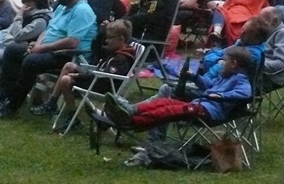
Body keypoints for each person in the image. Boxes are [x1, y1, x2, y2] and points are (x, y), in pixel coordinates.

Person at [0, 0, 97, 119]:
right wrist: (37, 45)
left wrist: (40, 49)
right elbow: (48, 30)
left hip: (68, 55)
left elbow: (72, 41)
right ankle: (3, 97)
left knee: (31, 61)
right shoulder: (62, 7)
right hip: (47, 50)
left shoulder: (82, 11)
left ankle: (11, 106)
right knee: (13, 50)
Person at [102, 44, 254, 133]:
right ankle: (131, 110)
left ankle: (132, 122)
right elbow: (208, 85)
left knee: (169, 111)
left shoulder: (241, 80)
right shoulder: (225, 76)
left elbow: (246, 93)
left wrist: (220, 96)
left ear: (234, 64)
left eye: (225, 60)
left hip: (209, 112)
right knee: (166, 102)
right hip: (199, 104)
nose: (222, 62)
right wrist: (195, 77)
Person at [32, 18, 137, 126]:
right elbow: (96, 50)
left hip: (104, 87)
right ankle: (52, 102)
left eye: (110, 38)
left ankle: (72, 117)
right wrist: (100, 33)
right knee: (69, 66)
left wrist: (79, 75)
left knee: (66, 80)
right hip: (97, 80)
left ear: (121, 39)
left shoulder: (122, 58)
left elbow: (107, 77)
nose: (107, 41)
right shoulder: (115, 51)